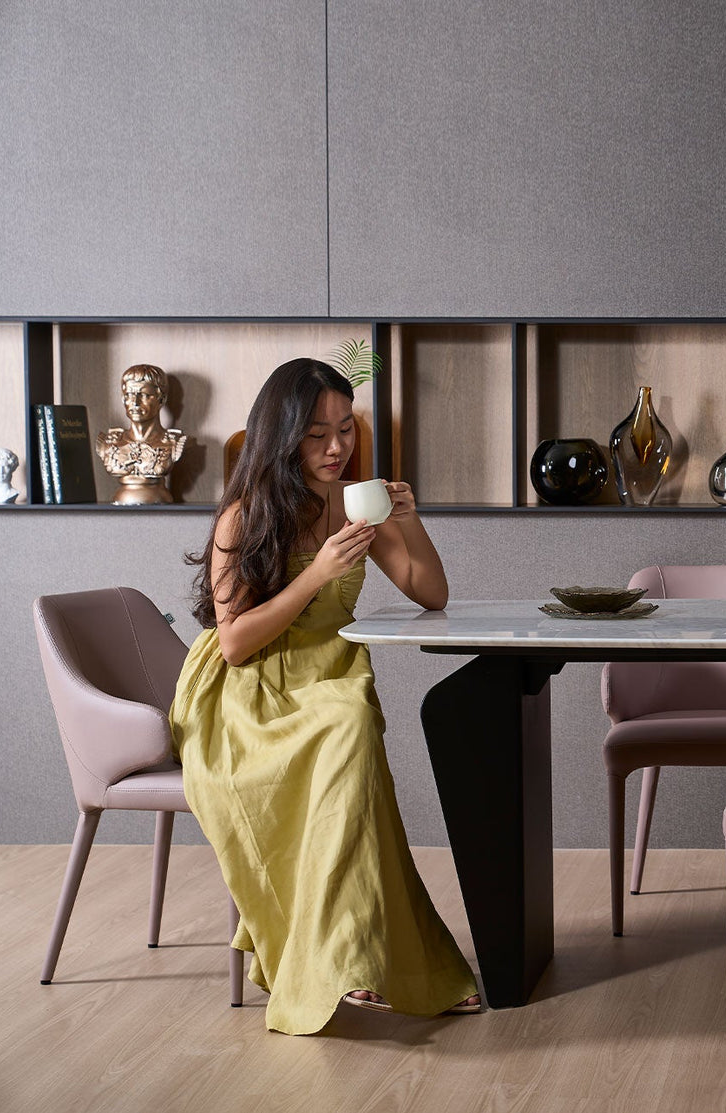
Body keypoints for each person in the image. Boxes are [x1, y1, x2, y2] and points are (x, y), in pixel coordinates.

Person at [171, 357, 480, 1034]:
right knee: (348, 733)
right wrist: (315, 575)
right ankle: (349, 960)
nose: (336, 447)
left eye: (345, 429)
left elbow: (431, 593)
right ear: (281, 436)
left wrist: (410, 519)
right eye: (317, 434)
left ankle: (365, 958)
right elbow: (233, 643)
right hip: (249, 692)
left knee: (351, 734)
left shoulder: (353, 503)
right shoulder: (242, 516)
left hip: (330, 676)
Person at [95, 364, 187, 503]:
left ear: (161, 399)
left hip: (161, 505)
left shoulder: (173, 442)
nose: (135, 403)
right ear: (123, 399)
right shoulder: (110, 442)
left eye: (144, 395)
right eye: (129, 395)